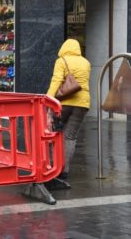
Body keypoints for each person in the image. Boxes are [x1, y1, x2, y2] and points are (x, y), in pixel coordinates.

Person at [46, 38, 91, 183]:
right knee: (70, 136)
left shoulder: (62, 61)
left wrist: (48, 100)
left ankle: (52, 165)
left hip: (63, 103)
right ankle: (64, 171)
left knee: (54, 132)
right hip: (82, 103)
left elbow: (56, 80)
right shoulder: (86, 62)